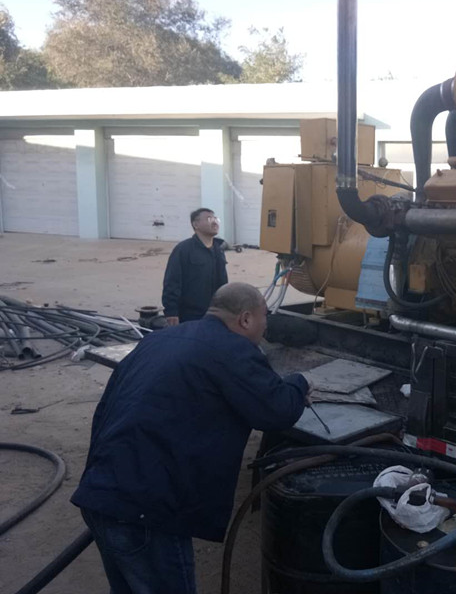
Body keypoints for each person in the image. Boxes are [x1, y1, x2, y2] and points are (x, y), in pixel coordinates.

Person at [71, 282, 312, 594]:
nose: (266, 326)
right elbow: (276, 411)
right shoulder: (233, 349)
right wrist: (298, 383)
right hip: (145, 510)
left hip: (101, 491)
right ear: (245, 319)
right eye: (265, 316)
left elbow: (106, 408)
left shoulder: (159, 339)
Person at [162, 208, 228, 326]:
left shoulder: (218, 249)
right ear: (196, 224)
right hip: (189, 315)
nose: (215, 222)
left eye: (216, 219)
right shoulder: (183, 249)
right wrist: (171, 311)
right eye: (209, 219)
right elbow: (172, 281)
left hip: (214, 313)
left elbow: (223, 282)